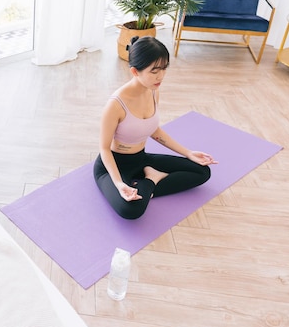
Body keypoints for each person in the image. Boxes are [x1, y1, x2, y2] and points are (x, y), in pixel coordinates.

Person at [93, 36, 217, 220]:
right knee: (130, 210)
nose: (161, 76)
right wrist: (119, 184)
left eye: (164, 68)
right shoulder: (115, 105)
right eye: (154, 71)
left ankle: (149, 179)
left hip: (141, 158)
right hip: (114, 164)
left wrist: (188, 153)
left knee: (202, 171)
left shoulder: (153, 90)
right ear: (135, 71)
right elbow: (104, 148)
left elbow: (153, 130)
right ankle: (152, 178)